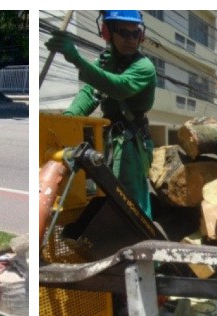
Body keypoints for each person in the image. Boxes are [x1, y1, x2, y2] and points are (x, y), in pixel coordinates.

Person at [45, 10, 156, 218]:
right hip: (110, 140)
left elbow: (118, 86)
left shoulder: (144, 67)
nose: (131, 40)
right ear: (107, 32)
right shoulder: (105, 63)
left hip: (132, 144)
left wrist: (78, 60)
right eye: (124, 33)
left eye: (135, 34)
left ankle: (140, 244)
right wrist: (68, 120)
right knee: (109, 198)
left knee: (132, 203)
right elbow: (89, 93)